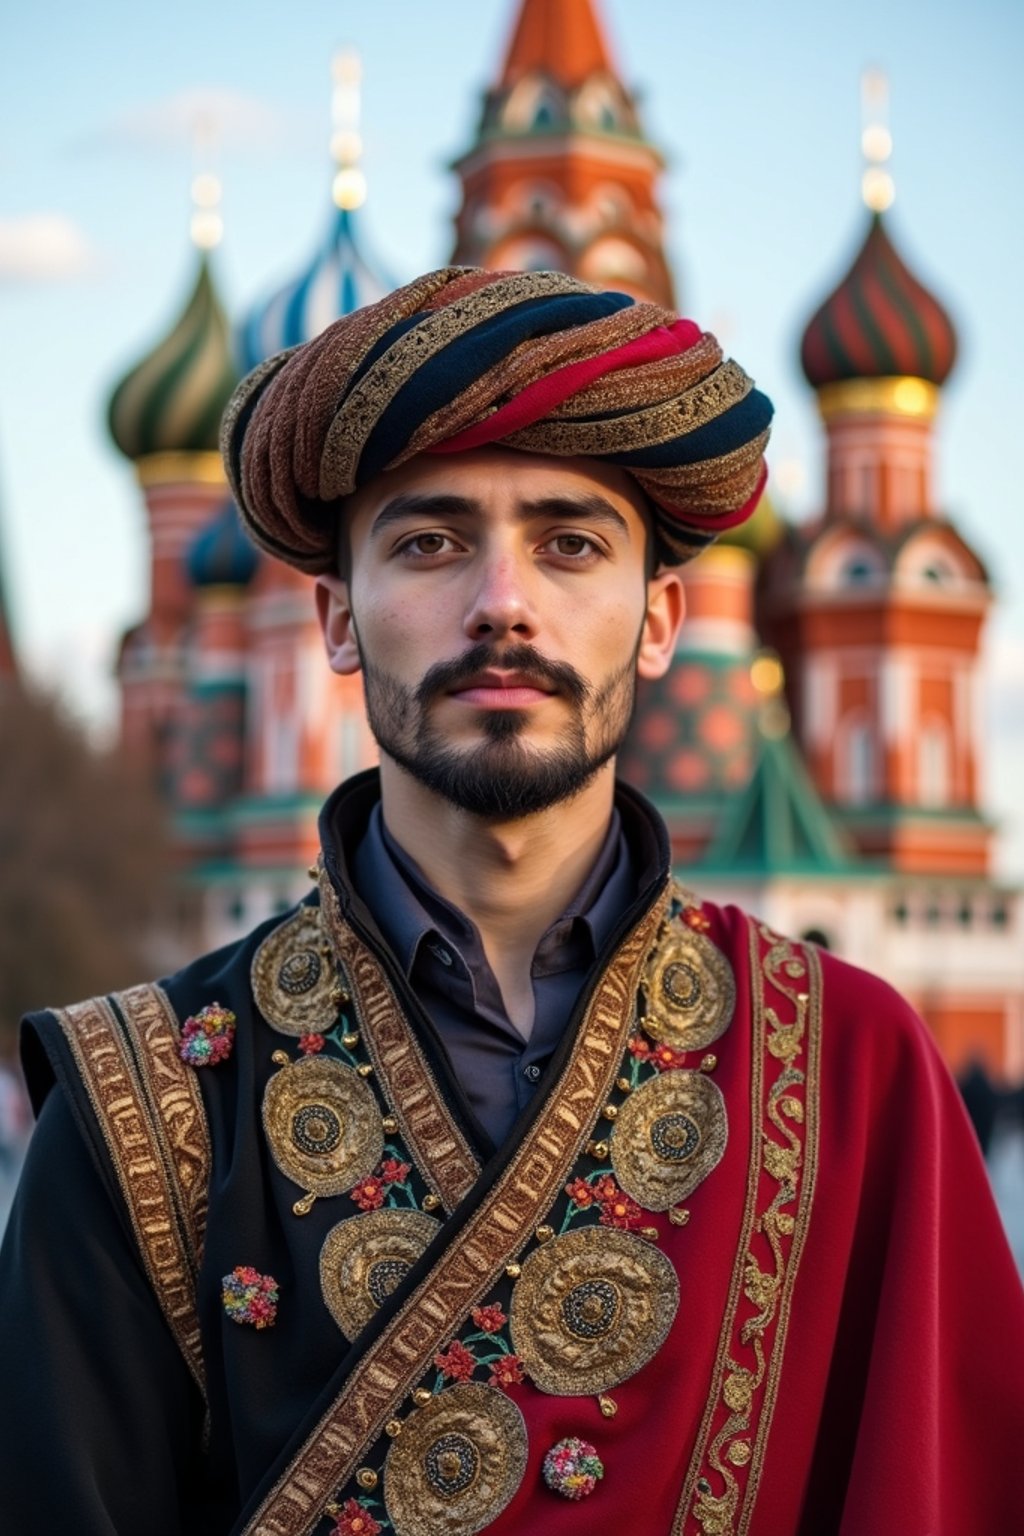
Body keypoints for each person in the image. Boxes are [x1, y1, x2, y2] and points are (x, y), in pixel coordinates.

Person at [1, 267, 1022, 1536]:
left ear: (659, 623)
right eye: (428, 542)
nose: (501, 603)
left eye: (571, 543)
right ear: (332, 619)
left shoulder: (859, 1071)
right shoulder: (137, 1105)